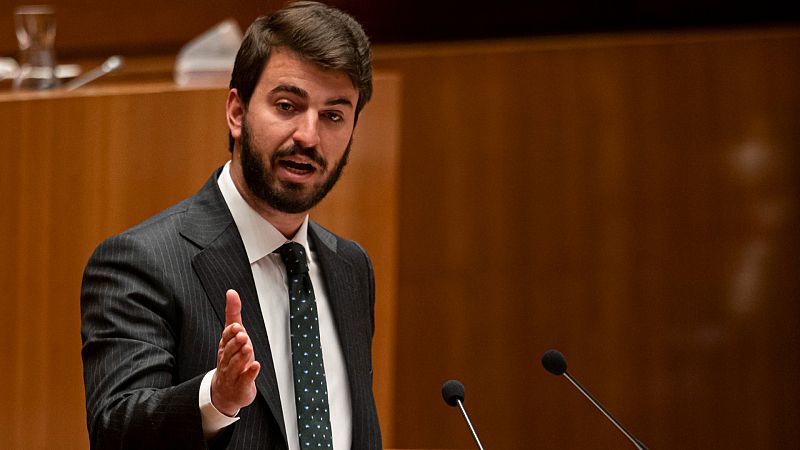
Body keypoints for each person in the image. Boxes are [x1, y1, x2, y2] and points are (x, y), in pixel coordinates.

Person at [80, 2, 381, 449]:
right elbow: (115, 430)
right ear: (236, 112)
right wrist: (215, 400)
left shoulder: (350, 267)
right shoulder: (142, 262)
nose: (309, 136)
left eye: (333, 115)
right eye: (287, 105)